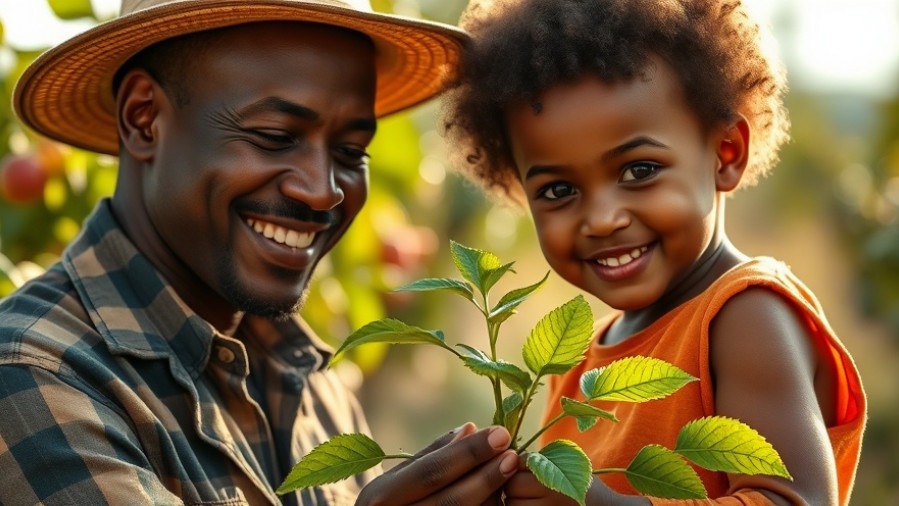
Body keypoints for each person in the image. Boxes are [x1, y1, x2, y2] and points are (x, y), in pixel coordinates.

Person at [0, 0, 519, 504]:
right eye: (275, 136)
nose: (323, 191)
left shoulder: (318, 388)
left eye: (350, 153)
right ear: (143, 118)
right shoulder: (32, 373)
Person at [441, 0, 867, 504]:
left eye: (638, 171)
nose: (602, 219)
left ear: (726, 152)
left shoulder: (746, 313)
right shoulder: (576, 363)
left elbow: (795, 500)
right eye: (558, 191)